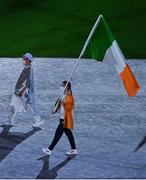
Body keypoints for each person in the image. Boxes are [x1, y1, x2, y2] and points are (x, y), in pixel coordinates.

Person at [7, 52, 44, 127]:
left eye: (24, 58)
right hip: (18, 90)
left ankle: (38, 120)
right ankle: (10, 119)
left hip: (22, 91)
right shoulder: (27, 68)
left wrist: (23, 91)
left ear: (28, 60)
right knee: (14, 104)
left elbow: (28, 81)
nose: (23, 60)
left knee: (30, 106)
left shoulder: (29, 69)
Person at [42, 80, 77, 155]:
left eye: (62, 85)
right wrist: (55, 110)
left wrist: (63, 103)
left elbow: (68, 108)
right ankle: (73, 149)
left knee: (58, 134)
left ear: (66, 87)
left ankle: (49, 149)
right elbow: (58, 104)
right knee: (68, 133)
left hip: (66, 118)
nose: (61, 87)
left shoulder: (69, 96)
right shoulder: (62, 95)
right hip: (62, 117)